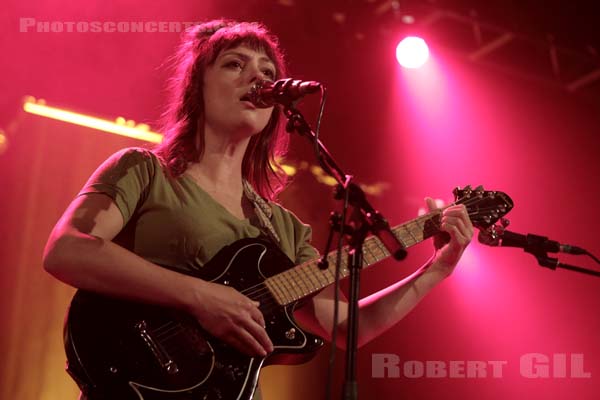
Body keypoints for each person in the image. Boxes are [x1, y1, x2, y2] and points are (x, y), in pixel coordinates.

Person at [43, 19, 474, 399]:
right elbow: (68, 249)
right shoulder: (145, 172)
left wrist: (435, 269)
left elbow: (344, 327)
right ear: (197, 85)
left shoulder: (283, 228)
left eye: (268, 72)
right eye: (235, 64)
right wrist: (200, 296)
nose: (258, 78)